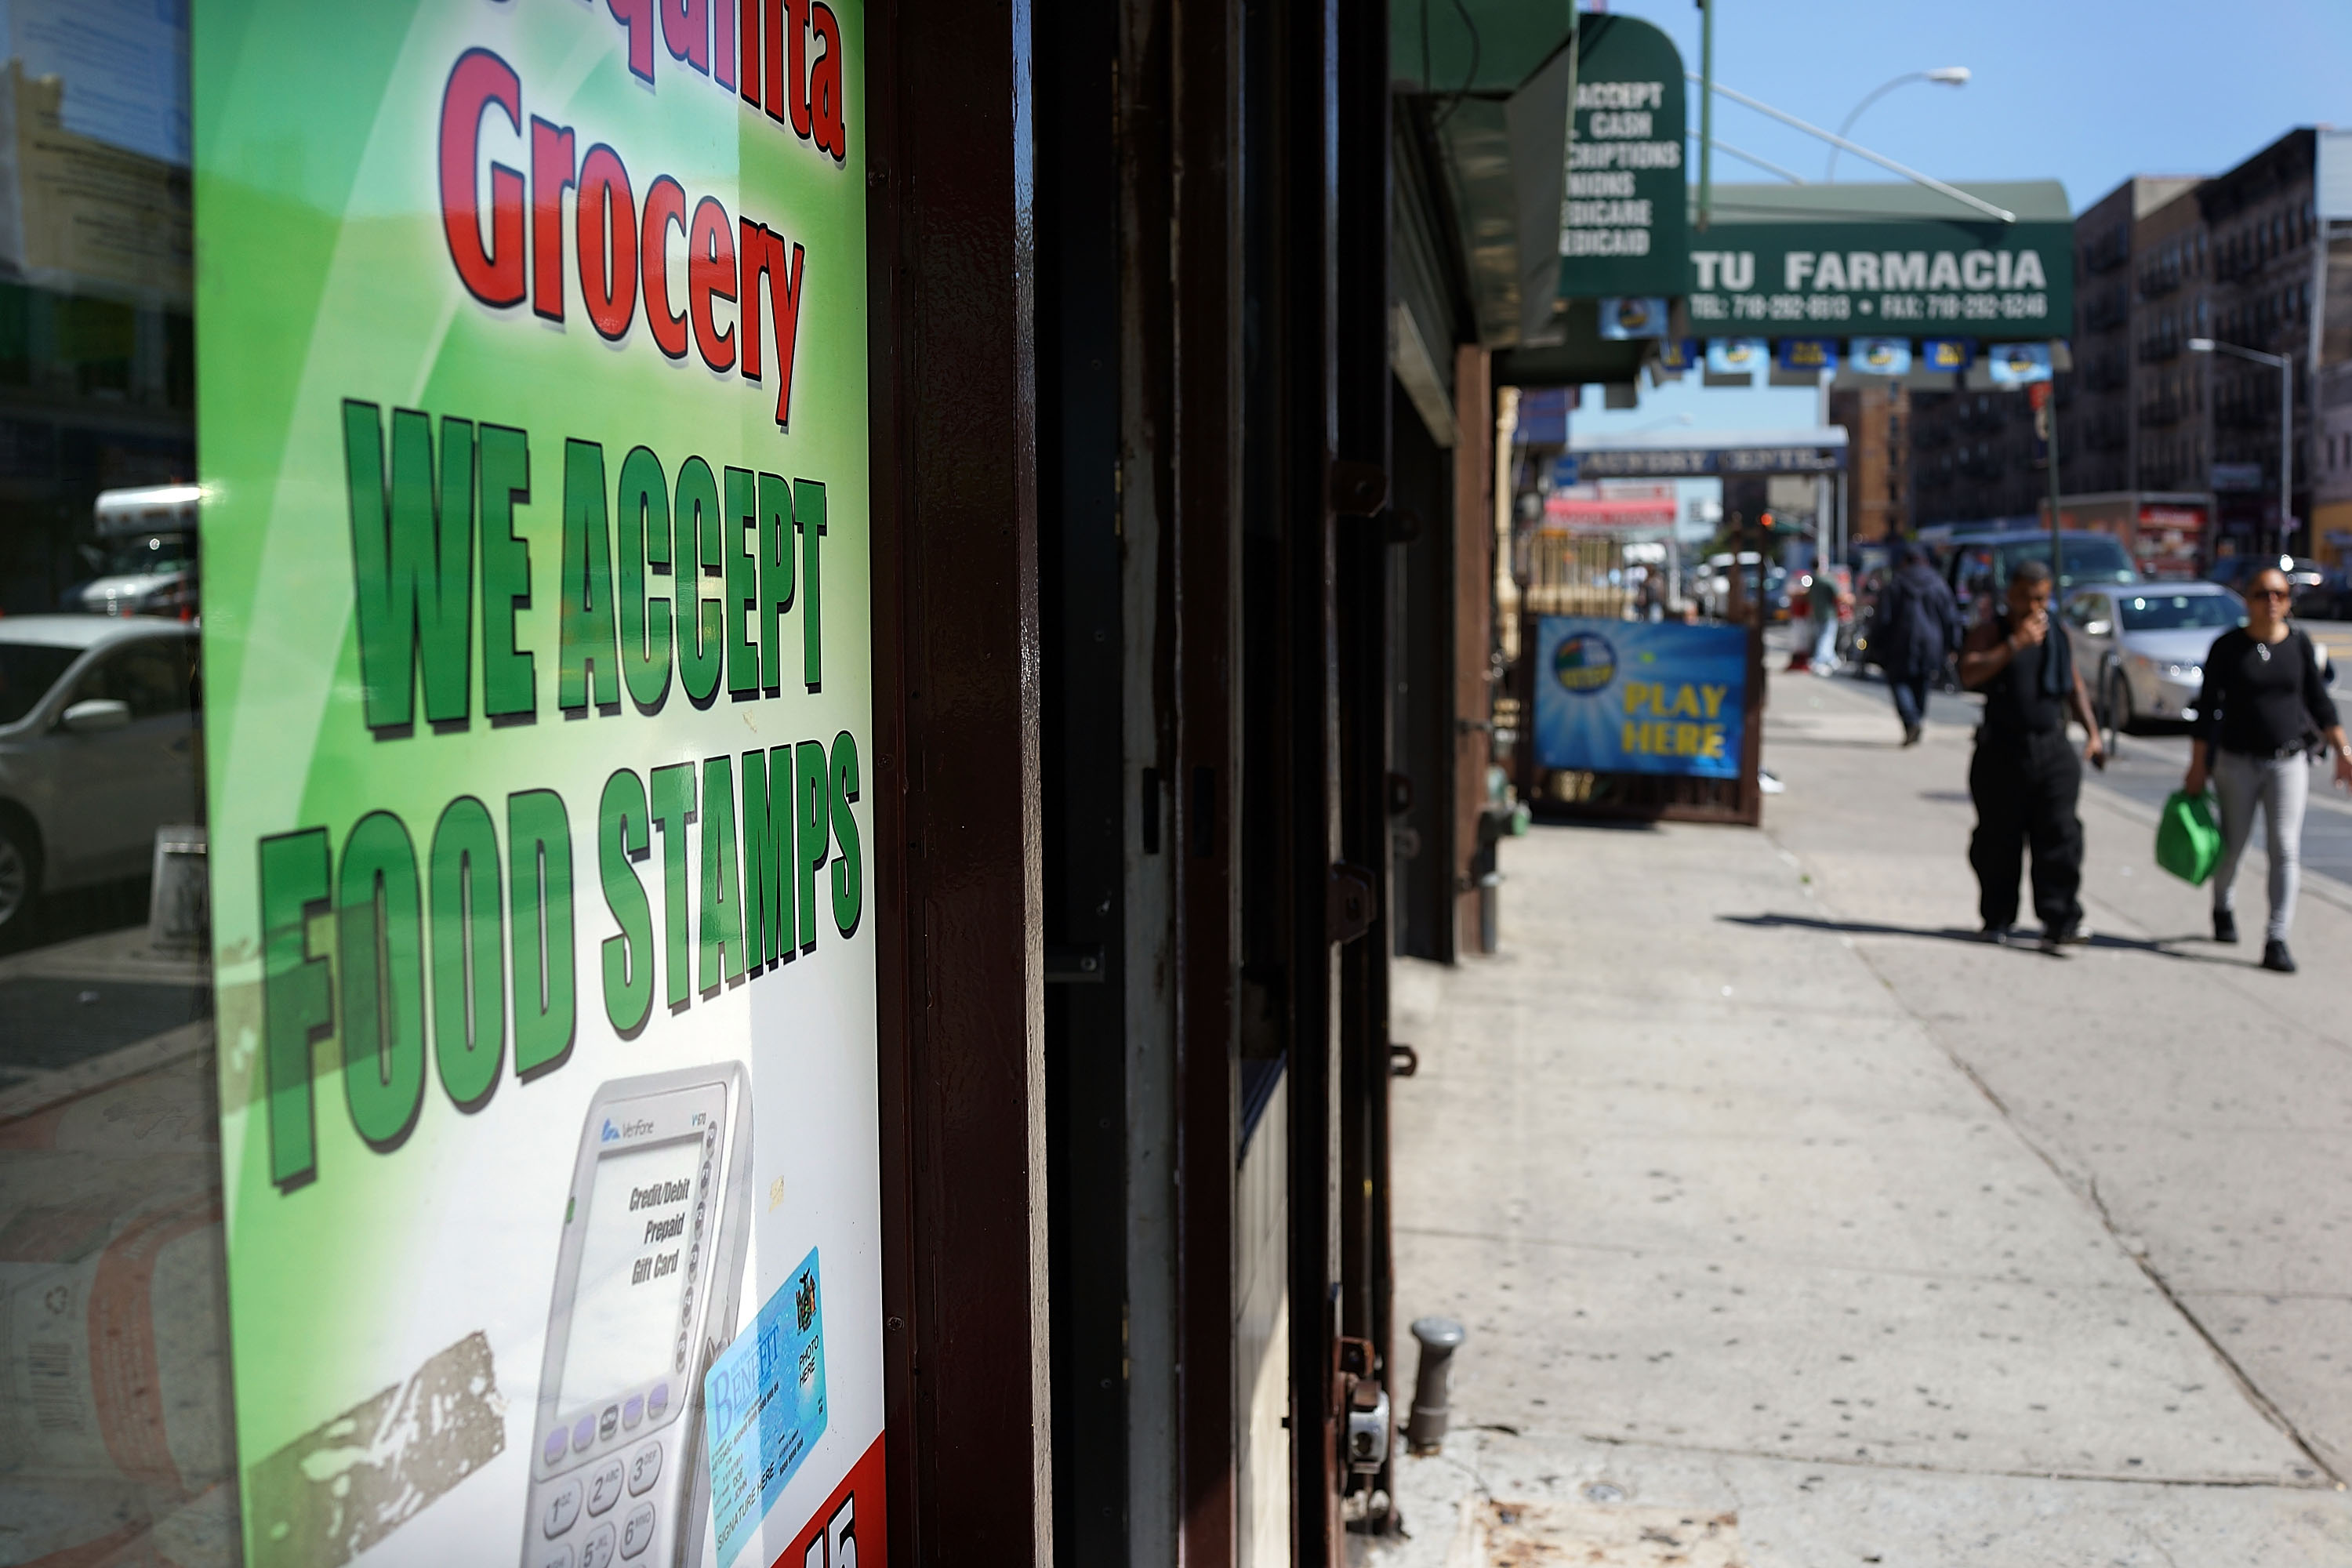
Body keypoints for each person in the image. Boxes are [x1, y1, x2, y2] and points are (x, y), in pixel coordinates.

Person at [2183, 566, 2352, 973]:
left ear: (2288, 601)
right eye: (2263, 594)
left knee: (2285, 848)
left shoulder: (2298, 644)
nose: (2271, 601)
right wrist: (2197, 764)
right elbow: (2208, 710)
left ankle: (2277, 937)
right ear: (2248, 599)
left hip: (2287, 761)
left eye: (2279, 594)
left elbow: (2319, 700)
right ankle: (2223, 905)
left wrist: (2342, 750)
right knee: (2233, 845)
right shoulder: (2228, 647)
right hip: (2235, 762)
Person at [1957, 558, 2105, 951]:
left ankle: (2060, 920)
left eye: (2041, 599)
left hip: (2052, 746)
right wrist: (2014, 644)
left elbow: (2074, 686)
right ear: (2011, 596)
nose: (2034, 608)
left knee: (2060, 834)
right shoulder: (1994, 631)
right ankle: (1997, 917)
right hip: (2002, 749)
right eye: (2025, 598)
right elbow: (1968, 672)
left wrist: (2092, 733)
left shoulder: (2057, 633)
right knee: (1998, 840)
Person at [1869, 542, 1960, 745]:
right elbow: (1951, 618)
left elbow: (1882, 619)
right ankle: (1916, 718)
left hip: (1900, 643)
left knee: (1899, 682)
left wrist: (1875, 644)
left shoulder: (1896, 584)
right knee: (1922, 683)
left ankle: (1911, 721)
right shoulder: (1938, 584)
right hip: (1932, 644)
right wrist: (1953, 645)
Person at [1806, 566, 1841, 675]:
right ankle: (1819, 661)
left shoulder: (1813, 580)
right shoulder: (1827, 580)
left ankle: (1831, 660)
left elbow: (1808, 596)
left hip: (1817, 613)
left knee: (1822, 636)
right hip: (1828, 613)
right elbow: (1838, 595)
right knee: (1827, 637)